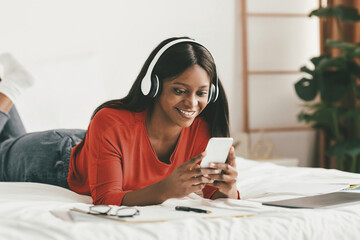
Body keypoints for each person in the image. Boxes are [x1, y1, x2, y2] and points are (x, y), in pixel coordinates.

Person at [0, 37, 239, 206]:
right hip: (55, 160)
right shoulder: (111, 121)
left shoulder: (202, 131)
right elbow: (105, 197)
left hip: (95, 146)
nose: (191, 104)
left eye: (201, 93)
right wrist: (166, 190)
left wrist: (227, 190)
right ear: (153, 85)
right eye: (179, 90)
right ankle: (11, 87)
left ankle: (11, 89)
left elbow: (211, 194)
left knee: (8, 141)